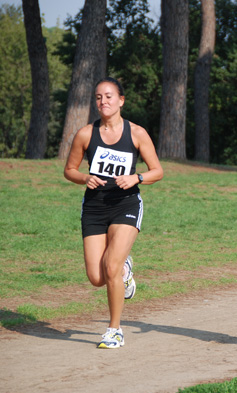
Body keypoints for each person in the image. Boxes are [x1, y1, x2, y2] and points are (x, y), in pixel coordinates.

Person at [64, 77, 163, 348]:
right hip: (95, 207)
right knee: (97, 278)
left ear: (121, 100)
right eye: (98, 97)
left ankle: (114, 329)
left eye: (109, 96)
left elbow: (158, 170)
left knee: (110, 267)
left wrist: (137, 178)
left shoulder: (137, 133)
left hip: (126, 204)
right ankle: (125, 268)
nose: (103, 101)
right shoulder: (85, 134)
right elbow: (69, 170)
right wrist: (84, 178)